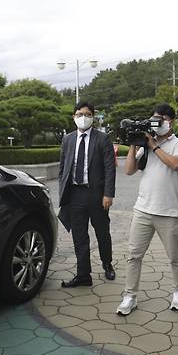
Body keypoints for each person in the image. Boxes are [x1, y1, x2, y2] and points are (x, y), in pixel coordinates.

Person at [116, 104, 178, 315]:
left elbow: (175, 164)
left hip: (168, 211)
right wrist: (133, 144)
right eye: (155, 118)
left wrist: (154, 146)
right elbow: (129, 170)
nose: (157, 122)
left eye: (162, 119)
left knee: (175, 257)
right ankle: (129, 296)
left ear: (171, 121)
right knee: (133, 255)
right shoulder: (144, 145)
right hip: (143, 210)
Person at [57, 102, 116, 287]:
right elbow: (63, 168)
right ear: (74, 116)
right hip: (75, 195)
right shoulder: (68, 139)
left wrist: (108, 194)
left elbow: (109, 169)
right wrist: (62, 191)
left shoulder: (103, 138)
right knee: (79, 236)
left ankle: (107, 264)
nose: (83, 117)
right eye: (79, 114)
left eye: (87, 114)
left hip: (96, 195)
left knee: (102, 233)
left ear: (93, 116)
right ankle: (83, 275)